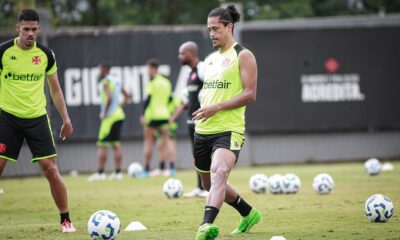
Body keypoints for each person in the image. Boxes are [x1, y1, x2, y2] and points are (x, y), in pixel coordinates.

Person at [0, 9, 76, 233]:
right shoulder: (3, 52)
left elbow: (55, 90)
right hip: (7, 118)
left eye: (34, 29)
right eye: (26, 29)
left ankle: (65, 219)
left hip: (37, 118)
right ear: (18, 28)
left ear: (38, 28)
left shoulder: (45, 54)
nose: (30, 33)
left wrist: (66, 118)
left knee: (50, 169)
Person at [192, 5, 261, 239]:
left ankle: (205, 226)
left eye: (215, 29)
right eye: (208, 29)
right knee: (210, 185)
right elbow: (212, 94)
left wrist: (216, 107)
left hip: (229, 130)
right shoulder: (210, 60)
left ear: (229, 26)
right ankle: (248, 213)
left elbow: (250, 94)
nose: (211, 33)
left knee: (219, 171)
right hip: (202, 131)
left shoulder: (244, 55)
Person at [170, 41, 207, 198]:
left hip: (202, 122)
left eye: (182, 53)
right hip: (190, 122)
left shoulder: (202, 69)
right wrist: (174, 116)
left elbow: (212, 90)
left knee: (205, 156)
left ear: (191, 54)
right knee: (196, 156)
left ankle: (208, 189)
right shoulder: (190, 73)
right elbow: (189, 100)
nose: (180, 56)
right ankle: (200, 187)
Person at [87, 64, 129, 181]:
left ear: (105, 70)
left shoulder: (105, 82)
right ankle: (118, 173)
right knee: (116, 143)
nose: (99, 72)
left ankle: (100, 173)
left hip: (110, 117)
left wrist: (104, 113)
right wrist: (120, 106)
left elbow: (109, 98)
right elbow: (127, 96)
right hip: (119, 115)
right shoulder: (117, 80)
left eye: (100, 70)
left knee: (102, 144)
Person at [140, 58, 172, 177]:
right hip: (164, 115)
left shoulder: (152, 83)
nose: (147, 71)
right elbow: (169, 99)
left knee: (148, 141)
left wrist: (143, 114)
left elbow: (147, 99)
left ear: (153, 68)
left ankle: (146, 169)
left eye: (148, 69)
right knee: (165, 142)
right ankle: (164, 168)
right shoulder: (166, 82)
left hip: (153, 116)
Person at [151, 94, 180, 177]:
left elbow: (179, 107)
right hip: (160, 123)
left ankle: (171, 168)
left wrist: (172, 118)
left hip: (169, 125)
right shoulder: (159, 97)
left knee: (170, 144)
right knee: (160, 146)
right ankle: (161, 168)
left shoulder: (172, 97)